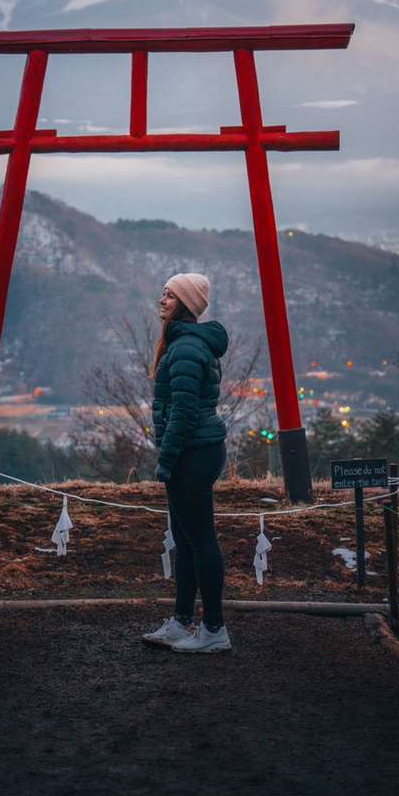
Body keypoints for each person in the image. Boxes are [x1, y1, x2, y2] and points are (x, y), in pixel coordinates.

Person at [141, 272, 232, 653]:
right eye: (162, 293)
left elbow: (183, 412)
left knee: (201, 541)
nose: (162, 301)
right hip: (195, 451)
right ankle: (181, 622)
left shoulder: (187, 349)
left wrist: (167, 458)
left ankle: (213, 629)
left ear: (185, 304)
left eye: (169, 295)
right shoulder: (184, 344)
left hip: (193, 454)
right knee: (185, 540)